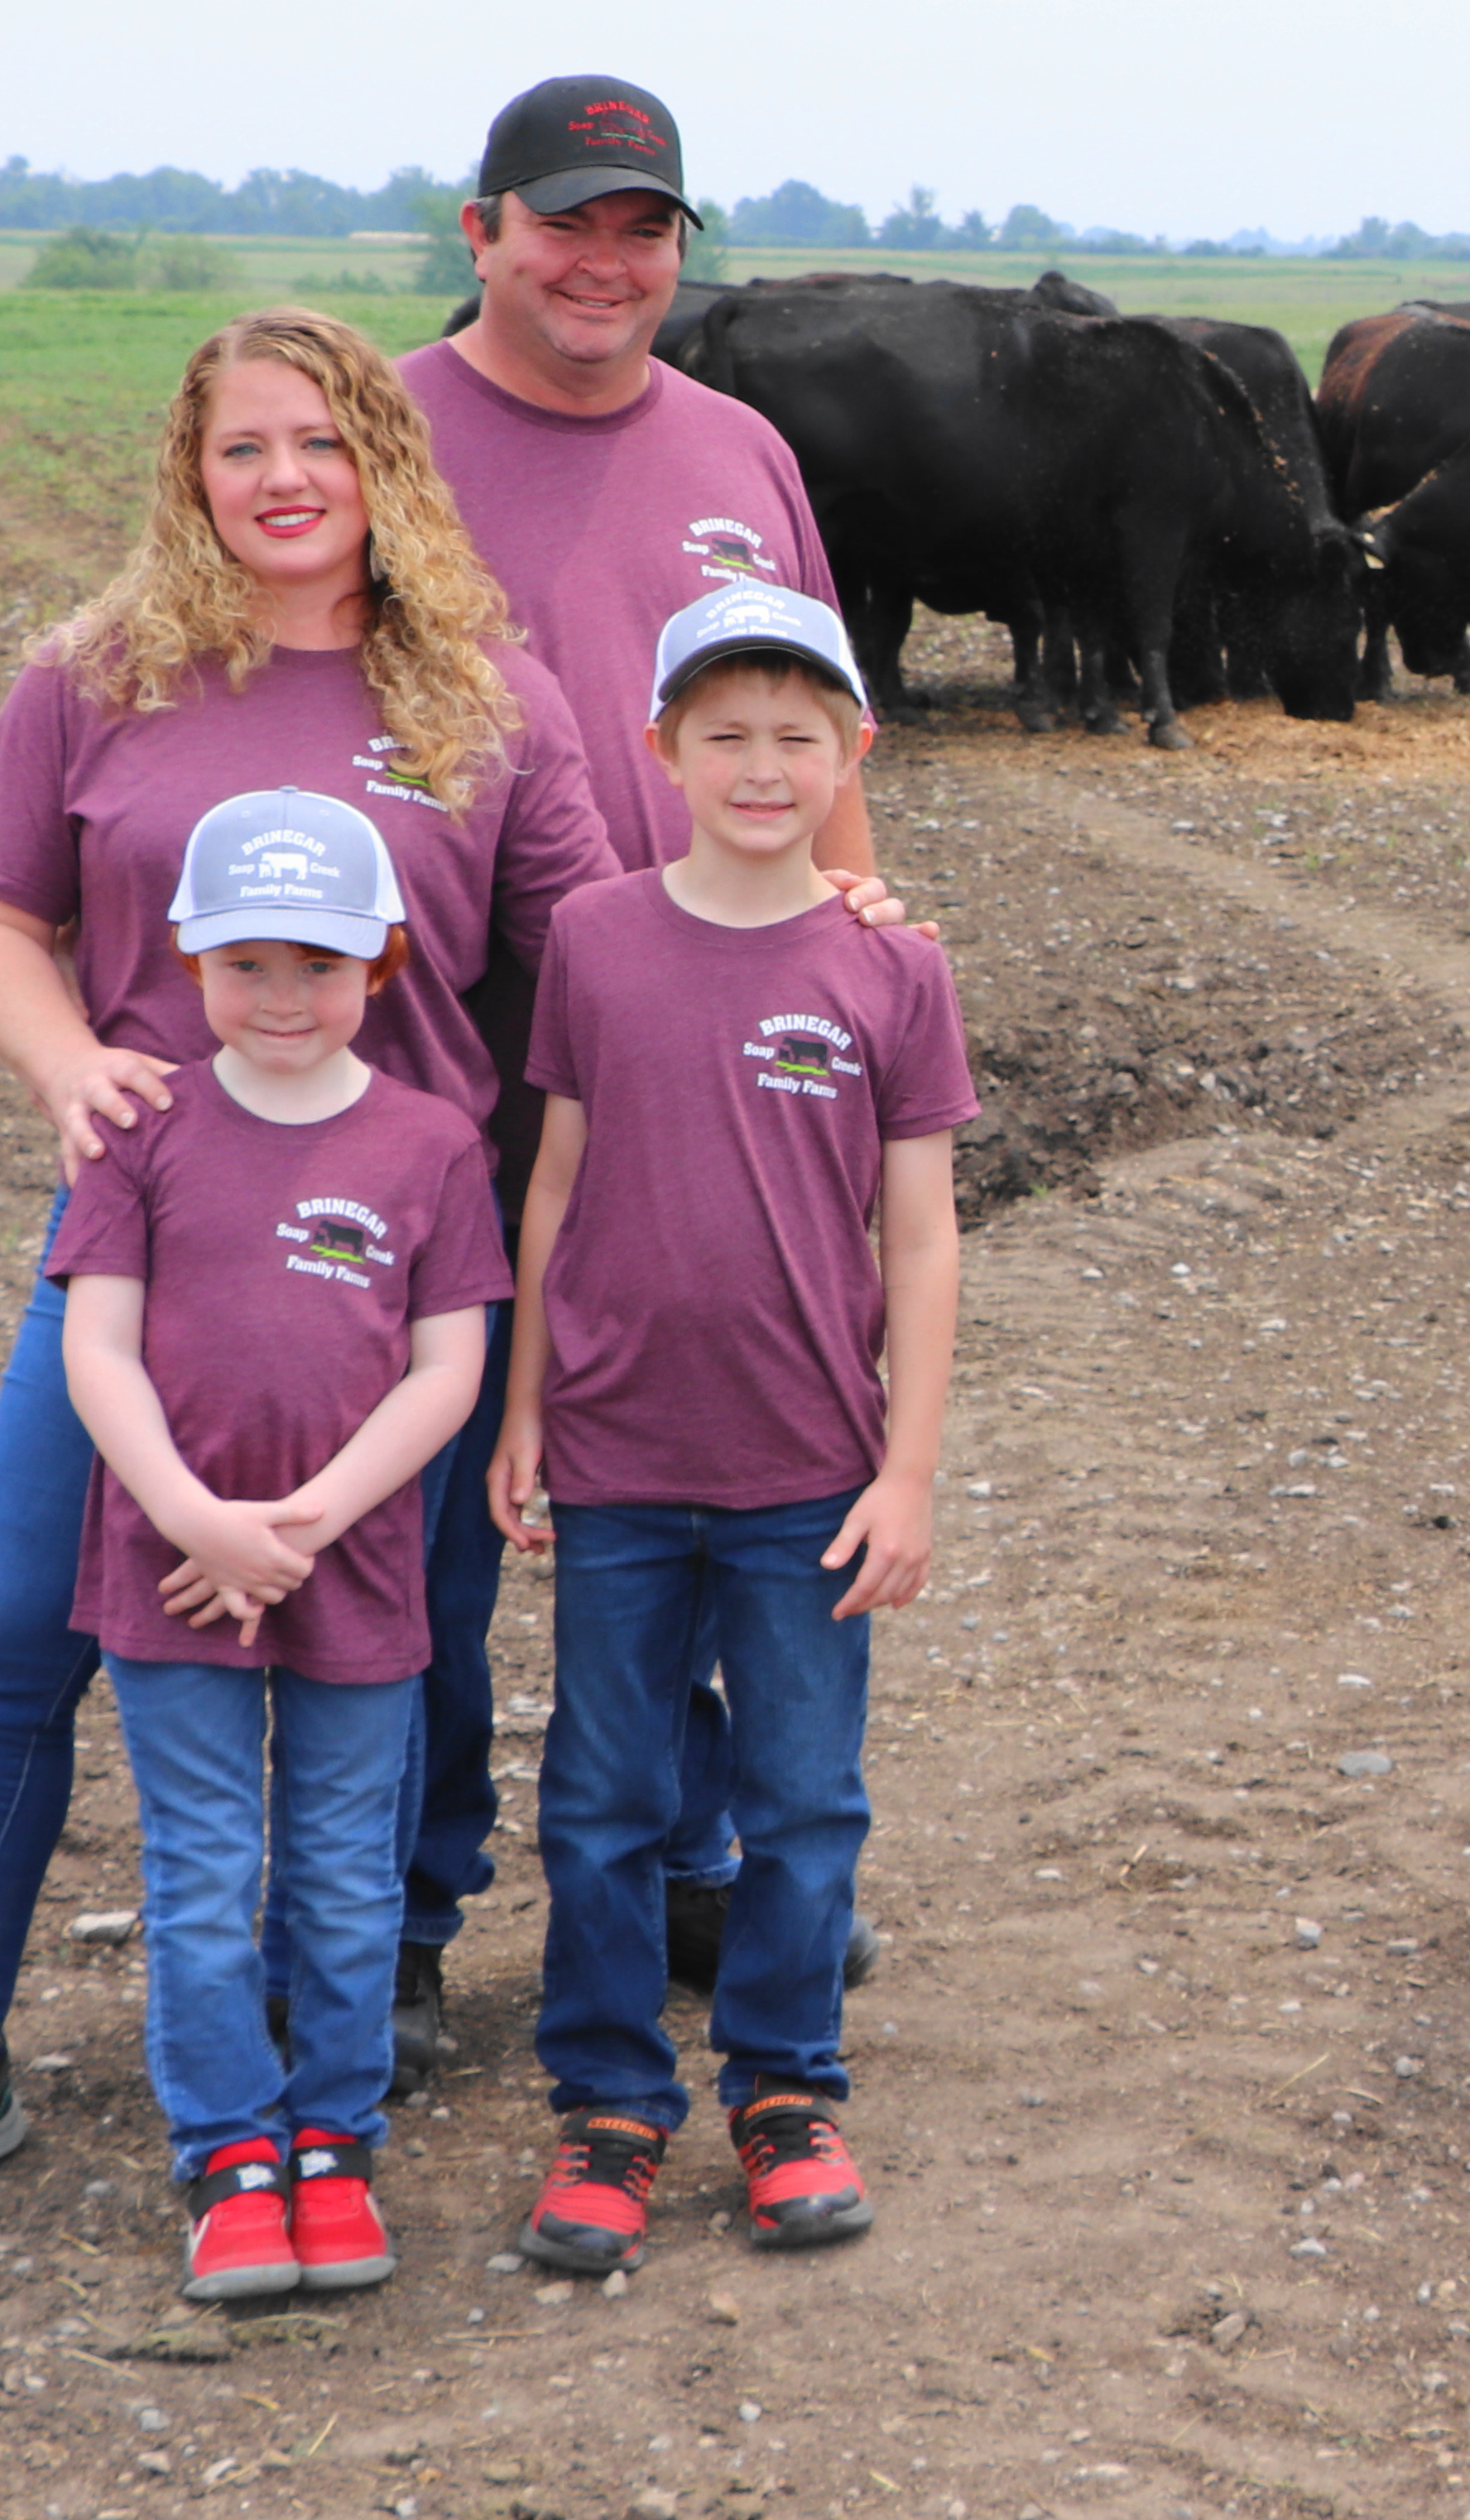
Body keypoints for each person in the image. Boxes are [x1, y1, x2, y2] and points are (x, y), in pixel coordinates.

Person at [0, 310, 611, 2215]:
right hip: (142, 1242)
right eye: (241, 449)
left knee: (390, 1645)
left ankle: (325, 2052)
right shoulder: (103, 674)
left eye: (321, 438)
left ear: (384, 451)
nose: (284, 478)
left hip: (400, 1274)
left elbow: (601, 966)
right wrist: (67, 1062)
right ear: (189, 472)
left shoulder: (494, 699)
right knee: (7, 1637)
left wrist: (823, 915)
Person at [390, 75, 882, 2058]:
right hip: (426, 1053)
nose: (606, 262)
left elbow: (823, 718)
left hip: (688, 1067)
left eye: (645, 227)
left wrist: (853, 946)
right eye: (567, 220)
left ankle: (691, 1858)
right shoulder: (385, 433)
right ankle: (404, 1905)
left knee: (685, 1464)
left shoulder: (741, 448)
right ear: (481, 226)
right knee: (431, 1504)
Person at [488, 583, 972, 2273]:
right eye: (723, 735)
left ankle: (783, 2089)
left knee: (803, 1798)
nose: (760, 767)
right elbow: (553, 1185)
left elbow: (918, 1236)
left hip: (808, 1473)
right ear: (662, 749)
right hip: (617, 1459)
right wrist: (526, 1406)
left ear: (852, 747)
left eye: (795, 736)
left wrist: (905, 1470)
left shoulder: (892, 968)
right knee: (601, 1798)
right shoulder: (601, 941)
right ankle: (609, 2105)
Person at [58, 792, 509, 2299]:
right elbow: (100, 1351)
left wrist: (307, 1526)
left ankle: (333, 2139)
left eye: (317, 965)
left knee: (339, 1875)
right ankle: (228, 2155)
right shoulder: (145, 1127)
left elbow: (448, 1371)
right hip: (169, 1569)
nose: (283, 998)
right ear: (191, 965)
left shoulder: (433, 1146)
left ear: (380, 964)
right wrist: (197, 1518)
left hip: (356, 1569)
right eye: (246, 966)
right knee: (199, 1871)